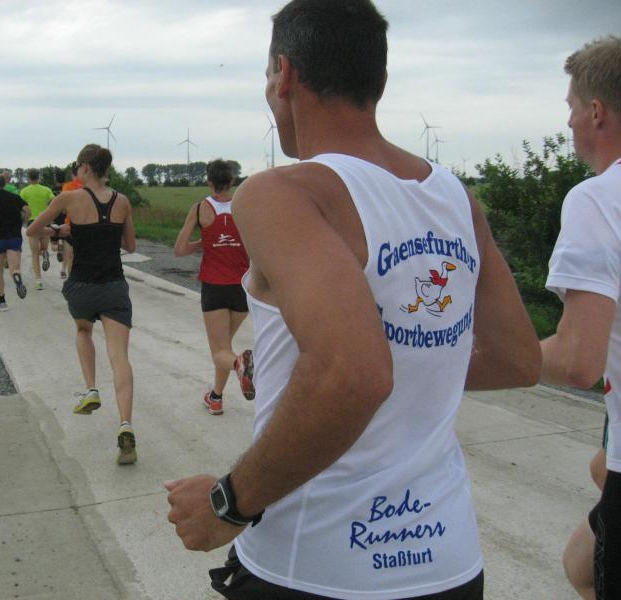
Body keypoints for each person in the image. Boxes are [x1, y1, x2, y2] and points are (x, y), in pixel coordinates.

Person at [164, 1, 541, 598]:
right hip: (449, 562)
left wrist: (228, 504)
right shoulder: (455, 197)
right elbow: (517, 359)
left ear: (284, 74)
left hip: (315, 566)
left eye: (268, 75)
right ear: (379, 79)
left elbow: (353, 374)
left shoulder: (283, 193)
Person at [539, 35, 621, 600]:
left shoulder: (597, 199)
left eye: (571, 107)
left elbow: (576, 362)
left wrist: (459, 354)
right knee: (581, 563)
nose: (568, 121)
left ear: (596, 111)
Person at [27, 145, 138, 465]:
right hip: (114, 286)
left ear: (86, 167)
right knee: (120, 357)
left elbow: (33, 229)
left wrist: (60, 229)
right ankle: (126, 425)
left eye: (78, 166)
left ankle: (91, 389)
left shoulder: (69, 199)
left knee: (83, 331)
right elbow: (130, 246)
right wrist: (107, 233)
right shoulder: (122, 201)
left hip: (82, 287)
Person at [174, 159, 255, 415]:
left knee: (220, 352)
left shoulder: (200, 209)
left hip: (215, 287)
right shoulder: (245, 206)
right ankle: (216, 397)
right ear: (232, 181)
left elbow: (179, 250)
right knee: (224, 346)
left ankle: (240, 364)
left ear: (209, 182)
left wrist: (203, 243)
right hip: (243, 287)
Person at [0, 174, 30, 311]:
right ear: (4, 183)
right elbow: (27, 210)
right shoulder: (14, 197)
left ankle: (2, 302)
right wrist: (23, 222)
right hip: (14, 236)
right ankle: (16, 276)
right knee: (15, 267)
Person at [20, 168, 55, 290]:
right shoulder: (47, 190)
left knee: (34, 254)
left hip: (33, 224)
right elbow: (53, 201)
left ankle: (39, 281)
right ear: (39, 177)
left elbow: (21, 208)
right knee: (44, 248)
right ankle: (44, 253)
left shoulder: (24, 191)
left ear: (28, 178)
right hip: (45, 222)